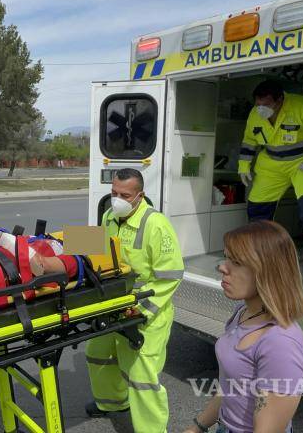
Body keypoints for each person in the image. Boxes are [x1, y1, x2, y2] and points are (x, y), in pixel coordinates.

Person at [185, 221, 303, 433]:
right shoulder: (243, 312)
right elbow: (231, 384)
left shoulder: (280, 342)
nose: (222, 267)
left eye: (237, 262)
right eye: (226, 257)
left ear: (268, 271)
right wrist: (198, 426)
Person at [85, 168, 184, 433]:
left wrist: (141, 309)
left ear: (140, 195)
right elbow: (96, 246)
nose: (117, 199)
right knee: (98, 354)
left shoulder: (156, 224)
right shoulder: (110, 215)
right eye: (114, 192)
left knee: (142, 377)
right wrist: (54, 243)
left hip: (145, 311)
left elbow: (171, 276)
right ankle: (112, 404)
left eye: (125, 195)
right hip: (114, 304)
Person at [238, 80, 303, 231]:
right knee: (257, 209)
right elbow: (249, 140)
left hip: (302, 164)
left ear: (280, 99)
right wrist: (243, 166)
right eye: (258, 105)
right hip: (271, 165)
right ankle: (260, 249)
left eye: (266, 105)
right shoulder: (255, 114)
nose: (261, 109)